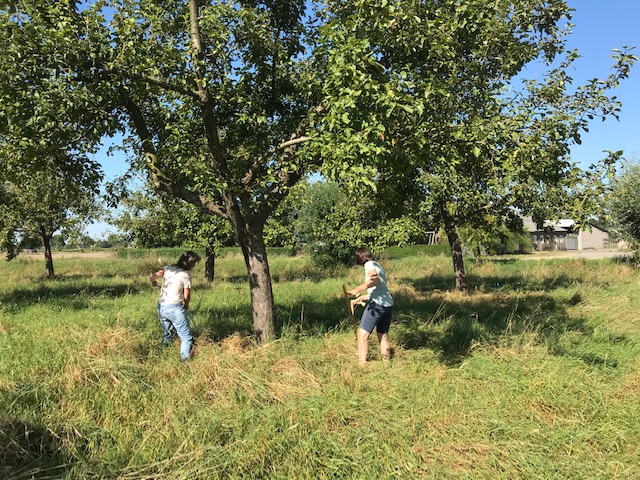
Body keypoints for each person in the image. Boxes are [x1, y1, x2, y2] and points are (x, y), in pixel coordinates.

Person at [149, 251, 201, 362]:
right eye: (194, 264)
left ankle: (162, 356)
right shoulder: (185, 275)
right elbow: (186, 294)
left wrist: (153, 282)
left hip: (162, 307)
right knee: (186, 338)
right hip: (175, 308)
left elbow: (153, 276)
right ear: (189, 264)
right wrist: (186, 305)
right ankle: (184, 361)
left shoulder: (168, 268)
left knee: (168, 334)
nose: (194, 266)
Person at [346, 247, 393, 366]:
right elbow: (379, 289)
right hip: (387, 304)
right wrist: (363, 297)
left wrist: (357, 289)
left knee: (362, 334)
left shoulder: (369, 265)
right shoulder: (378, 265)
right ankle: (387, 365)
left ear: (359, 257)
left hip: (377, 305)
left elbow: (375, 279)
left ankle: (362, 365)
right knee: (382, 336)